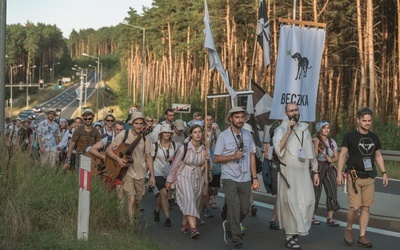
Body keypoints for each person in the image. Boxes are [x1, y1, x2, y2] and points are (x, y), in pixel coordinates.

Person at [336, 107, 388, 248]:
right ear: (358, 120)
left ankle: (362, 236)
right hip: (354, 177)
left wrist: (384, 172)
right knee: (355, 207)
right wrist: (339, 173)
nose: (367, 123)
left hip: (369, 177)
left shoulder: (374, 137)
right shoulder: (350, 136)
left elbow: (377, 155)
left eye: (369, 120)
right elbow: (342, 155)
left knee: (366, 208)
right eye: (364, 120)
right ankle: (348, 229)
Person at [272, 102, 319, 249]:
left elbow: (310, 152)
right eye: (291, 111)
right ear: (286, 114)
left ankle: (298, 229)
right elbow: (278, 150)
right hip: (288, 174)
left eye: (296, 110)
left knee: (308, 201)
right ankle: (289, 235)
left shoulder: (305, 129)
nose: (294, 113)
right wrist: (288, 131)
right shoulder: (280, 129)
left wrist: (315, 170)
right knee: (289, 204)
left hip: (304, 173)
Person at [214, 107, 260, 250]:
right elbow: (216, 158)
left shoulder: (247, 134)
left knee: (245, 209)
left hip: (245, 176)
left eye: (242, 117)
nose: (240, 120)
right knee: (234, 208)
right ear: (230, 119)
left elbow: (252, 156)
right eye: (237, 117)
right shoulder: (223, 136)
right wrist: (233, 156)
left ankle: (229, 224)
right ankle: (237, 241)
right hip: (229, 177)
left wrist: (255, 177)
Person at [106, 112, 154, 223]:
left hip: (141, 172)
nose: (139, 126)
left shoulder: (146, 139)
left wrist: (152, 175)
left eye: (141, 123)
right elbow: (109, 150)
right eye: (136, 123)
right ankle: (131, 224)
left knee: (138, 200)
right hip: (127, 171)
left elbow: (149, 157)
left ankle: (135, 216)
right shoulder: (124, 134)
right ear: (131, 123)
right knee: (131, 197)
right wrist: (118, 159)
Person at [166, 124, 208, 239]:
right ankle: (193, 228)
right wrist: (169, 180)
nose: (198, 134)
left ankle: (185, 225)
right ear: (190, 134)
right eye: (195, 132)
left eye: (200, 132)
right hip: (184, 175)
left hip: (198, 176)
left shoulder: (205, 148)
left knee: (192, 201)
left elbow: (207, 167)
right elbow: (174, 165)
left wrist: (208, 161)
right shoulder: (184, 148)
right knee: (189, 199)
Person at [147, 124, 179, 227]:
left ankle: (157, 211)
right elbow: (150, 159)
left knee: (162, 194)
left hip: (169, 173)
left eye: (168, 132)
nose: (167, 134)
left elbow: (178, 159)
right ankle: (168, 218)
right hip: (157, 172)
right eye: (164, 132)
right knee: (164, 193)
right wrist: (151, 175)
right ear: (161, 134)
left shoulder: (175, 145)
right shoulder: (155, 145)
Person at [311, 120, 340, 226]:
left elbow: (336, 156)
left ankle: (330, 217)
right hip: (317, 168)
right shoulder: (314, 140)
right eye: (324, 127)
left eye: (328, 127)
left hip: (329, 168)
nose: (327, 130)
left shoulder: (332, 142)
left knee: (332, 190)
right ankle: (311, 215)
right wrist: (316, 145)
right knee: (316, 192)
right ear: (319, 129)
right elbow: (312, 156)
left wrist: (331, 160)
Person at [89, 120, 125, 198]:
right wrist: (103, 157)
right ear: (113, 129)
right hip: (107, 172)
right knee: (106, 195)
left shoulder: (126, 142)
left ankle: (121, 210)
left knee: (121, 195)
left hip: (120, 173)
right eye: (117, 129)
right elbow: (92, 149)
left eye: (121, 130)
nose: (119, 132)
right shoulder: (108, 139)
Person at [262, 121, 281, 230]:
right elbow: (267, 155)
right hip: (276, 170)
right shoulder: (271, 143)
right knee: (280, 195)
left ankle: (277, 219)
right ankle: (273, 219)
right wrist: (274, 154)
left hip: (288, 171)